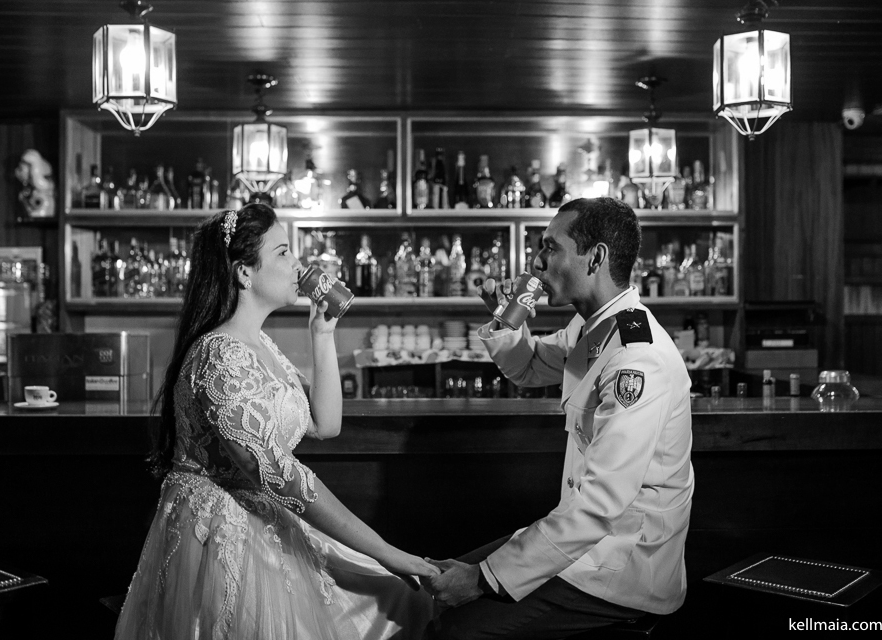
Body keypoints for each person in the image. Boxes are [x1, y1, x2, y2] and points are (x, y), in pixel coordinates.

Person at [115, 203, 438, 640]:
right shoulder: (219, 354)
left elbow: (326, 424)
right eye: (284, 252)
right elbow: (277, 473)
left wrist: (322, 335)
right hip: (225, 535)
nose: (299, 265)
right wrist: (385, 550)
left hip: (269, 521)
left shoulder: (260, 344)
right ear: (244, 272)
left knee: (400, 599)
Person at [424, 197, 694, 639]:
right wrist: (506, 314)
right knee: (435, 591)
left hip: (620, 567)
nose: (535, 260)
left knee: (453, 630)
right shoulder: (596, 326)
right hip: (586, 542)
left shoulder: (637, 359)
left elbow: (598, 506)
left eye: (549, 247)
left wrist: (482, 579)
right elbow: (529, 368)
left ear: (596, 258)